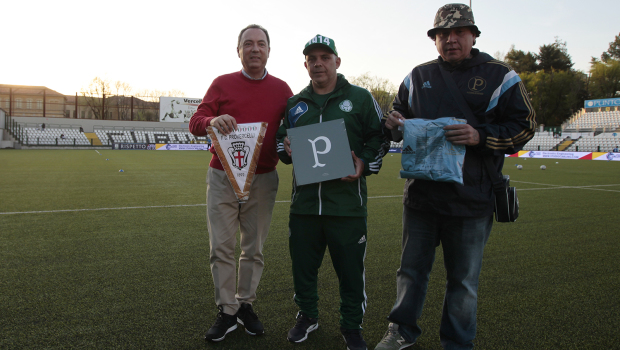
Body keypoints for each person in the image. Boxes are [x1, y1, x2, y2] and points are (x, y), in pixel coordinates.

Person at [374, 4, 536, 350]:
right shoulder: (416, 76)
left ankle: (457, 343)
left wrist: (480, 136)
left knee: (463, 281)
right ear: (434, 39)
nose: (450, 40)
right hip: (421, 196)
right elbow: (398, 114)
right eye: (442, 34)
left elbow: (525, 128)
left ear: (473, 35)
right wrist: (393, 124)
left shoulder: (501, 76)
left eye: (458, 32)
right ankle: (401, 331)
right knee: (410, 271)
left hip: (472, 198)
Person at [276, 34, 389, 350]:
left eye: (325, 57)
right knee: (303, 269)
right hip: (305, 207)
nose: (318, 63)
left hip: (347, 206)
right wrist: (285, 147)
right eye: (312, 58)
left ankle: (351, 326)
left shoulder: (361, 98)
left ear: (337, 62)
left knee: (351, 274)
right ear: (305, 64)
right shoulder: (295, 104)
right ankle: (307, 315)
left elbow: (380, 139)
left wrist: (363, 163)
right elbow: (280, 143)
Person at [188, 24, 293, 342]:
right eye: (248, 44)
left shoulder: (283, 89)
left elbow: (292, 129)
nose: (255, 49)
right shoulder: (221, 84)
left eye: (261, 44)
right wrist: (211, 121)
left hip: (262, 178)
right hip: (223, 176)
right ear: (239, 50)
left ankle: (246, 304)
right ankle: (227, 311)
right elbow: (195, 122)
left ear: (269, 50)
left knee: (253, 248)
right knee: (221, 246)